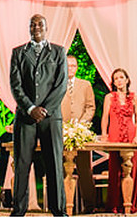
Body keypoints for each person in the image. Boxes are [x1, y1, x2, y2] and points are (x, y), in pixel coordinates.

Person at [9, 13, 68, 217]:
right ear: (28, 28)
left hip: (51, 118)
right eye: (32, 24)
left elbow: (61, 86)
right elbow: (15, 86)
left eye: (40, 24)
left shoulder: (59, 52)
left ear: (46, 27)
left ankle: (58, 210)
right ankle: (19, 210)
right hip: (25, 118)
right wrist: (30, 108)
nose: (36, 27)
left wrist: (44, 110)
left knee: (54, 164)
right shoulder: (18, 53)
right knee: (22, 164)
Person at [101, 68, 137, 214]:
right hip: (115, 133)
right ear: (113, 82)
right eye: (116, 78)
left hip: (130, 134)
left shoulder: (134, 97)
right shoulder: (109, 97)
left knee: (131, 166)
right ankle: (115, 203)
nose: (118, 80)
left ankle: (131, 203)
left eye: (121, 77)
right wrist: (104, 134)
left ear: (127, 80)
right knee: (115, 166)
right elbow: (105, 117)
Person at [60, 54, 97, 209]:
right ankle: (63, 205)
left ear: (77, 67)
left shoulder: (85, 84)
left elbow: (90, 107)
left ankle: (90, 205)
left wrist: (81, 125)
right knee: (61, 169)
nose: (71, 68)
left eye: (73, 65)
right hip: (62, 133)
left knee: (84, 169)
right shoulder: (56, 85)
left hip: (80, 133)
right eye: (68, 65)